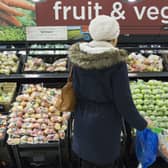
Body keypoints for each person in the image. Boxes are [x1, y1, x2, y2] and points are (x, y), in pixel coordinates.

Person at [68, 15, 150, 168]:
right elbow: (124, 102)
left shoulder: (77, 58)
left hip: (82, 119)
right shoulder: (117, 63)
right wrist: (142, 124)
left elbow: (75, 89)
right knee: (104, 162)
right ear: (114, 37)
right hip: (105, 123)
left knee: (86, 160)